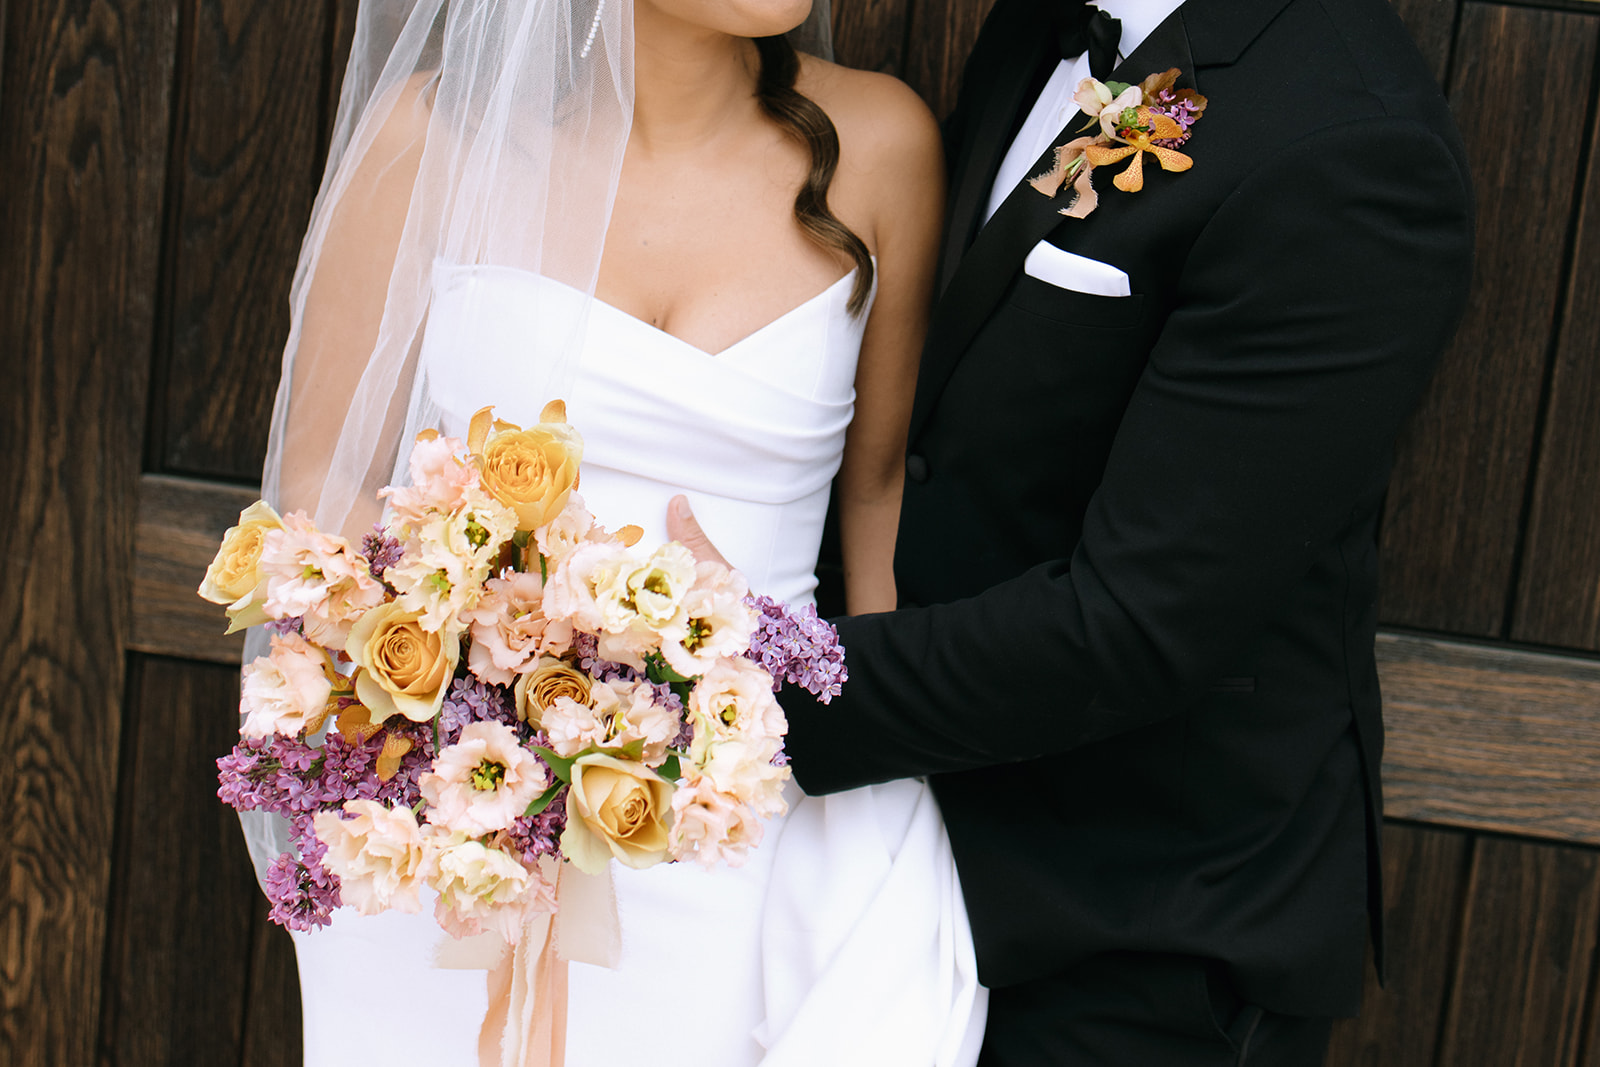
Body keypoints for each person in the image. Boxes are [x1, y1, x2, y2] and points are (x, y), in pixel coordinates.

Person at [670, 0, 1475, 1063]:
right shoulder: (1043, 24)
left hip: (1136, 928)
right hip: (887, 870)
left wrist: (745, 678)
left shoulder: (1354, 148)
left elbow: (1141, 626)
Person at [243, 0, 987, 1063]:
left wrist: (884, 747)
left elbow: (875, 492)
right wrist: (472, 661)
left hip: (756, 805)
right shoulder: (428, 137)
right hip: (469, 811)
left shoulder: (880, 146)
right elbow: (324, 472)